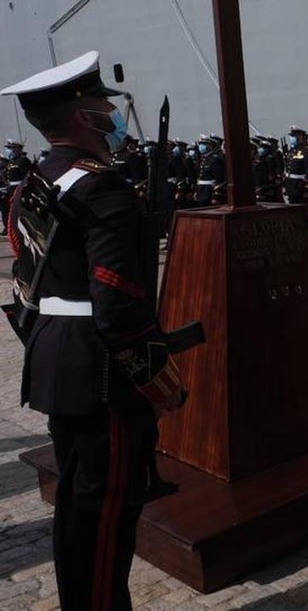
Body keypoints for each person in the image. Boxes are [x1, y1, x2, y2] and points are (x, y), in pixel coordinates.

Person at [0, 51, 187, 611]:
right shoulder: (101, 188)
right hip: (105, 371)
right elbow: (117, 308)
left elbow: (23, 282)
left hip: (58, 361)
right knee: (107, 517)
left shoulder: (37, 179)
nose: (112, 110)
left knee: (79, 514)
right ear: (84, 117)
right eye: (102, 103)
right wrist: (160, 384)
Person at [283, 126, 308, 224]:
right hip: (292, 186)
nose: (292, 138)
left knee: (303, 211)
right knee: (293, 209)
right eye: (291, 136)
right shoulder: (292, 151)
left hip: (301, 186)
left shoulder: (307, 151)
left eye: (295, 136)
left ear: (301, 137)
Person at [1, 139, 32, 232]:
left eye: (11, 148)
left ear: (18, 149)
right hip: (9, 189)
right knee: (5, 209)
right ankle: (8, 228)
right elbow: (7, 174)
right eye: (9, 148)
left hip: (19, 189)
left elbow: (28, 175)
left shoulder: (23, 160)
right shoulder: (11, 161)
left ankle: (19, 229)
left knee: (17, 211)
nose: (10, 150)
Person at [192, 134, 226, 206]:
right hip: (200, 191)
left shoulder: (215, 160)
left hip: (209, 191)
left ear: (210, 146)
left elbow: (220, 179)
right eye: (200, 144)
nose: (201, 146)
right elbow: (199, 177)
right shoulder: (201, 159)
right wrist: (196, 191)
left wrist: (216, 196)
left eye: (204, 144)